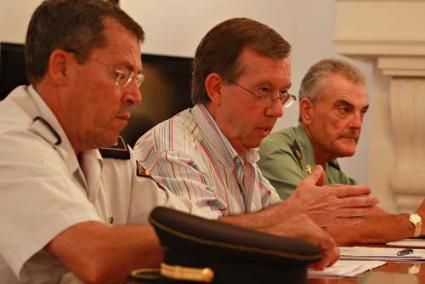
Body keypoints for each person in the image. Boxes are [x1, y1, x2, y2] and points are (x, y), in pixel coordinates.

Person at [0, 1, 344, 282]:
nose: (136, 95)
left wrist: (274, 228)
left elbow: (193, 225)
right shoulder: (10, 139)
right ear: (61, 67)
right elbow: (95, 254)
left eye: (137, 77)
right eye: (121, 75)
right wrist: (275, 227)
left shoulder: (107, 152)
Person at [134, 19, 377, 241]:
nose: (278, 111)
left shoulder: (244, 154)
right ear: (216, 89)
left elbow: (278, 229)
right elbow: (203, 243)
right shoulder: (172, 150)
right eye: (263, 91)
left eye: (282, 94)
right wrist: (294, 211)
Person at [259, 58, 425, 244]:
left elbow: (377, 219)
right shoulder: (275, 151)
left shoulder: (330, 164)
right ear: (307, 111)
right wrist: (415, 222)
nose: (357, 124)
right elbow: (315, 229)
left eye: (362, 112)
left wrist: (415, 223)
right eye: (344, 109)